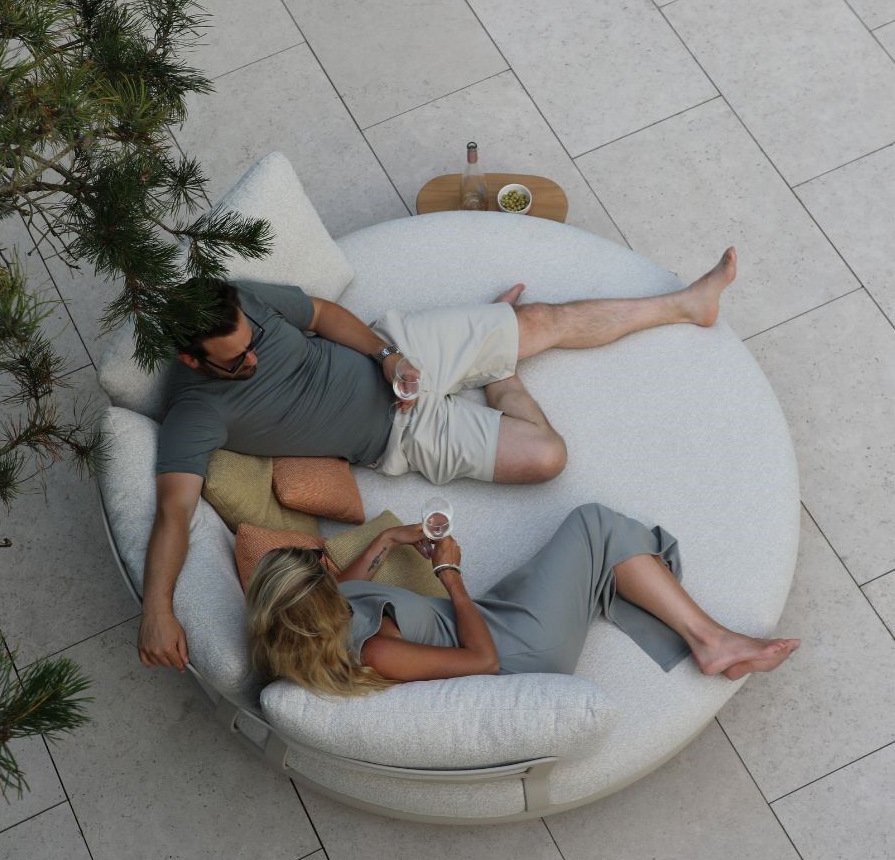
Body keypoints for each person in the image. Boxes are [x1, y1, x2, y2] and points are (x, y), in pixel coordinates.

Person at [138, 249, 738, 670]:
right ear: (192, 360)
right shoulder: (195, 416)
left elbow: (320, 315)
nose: (254, 359)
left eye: (253, 344)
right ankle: (499, 372)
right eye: (237, 362)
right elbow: (173, 515)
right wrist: (157, 609)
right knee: (547, 458)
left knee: (541, 319)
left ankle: (686, 305)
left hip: (399, 353)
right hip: (402, 436)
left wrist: (387, 356)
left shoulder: (241, 300)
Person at [245, 503, 800, 693]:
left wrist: (389, 539)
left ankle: (701, 633)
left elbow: (350, 589)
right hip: (518, 647)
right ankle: (711, 641)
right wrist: (449, 573)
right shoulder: (376, 652)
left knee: (592, 560)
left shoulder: (314, 622)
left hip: (492, 617)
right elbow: (482, 661)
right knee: (594, 525)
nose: (332, 569)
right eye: (323, 570)